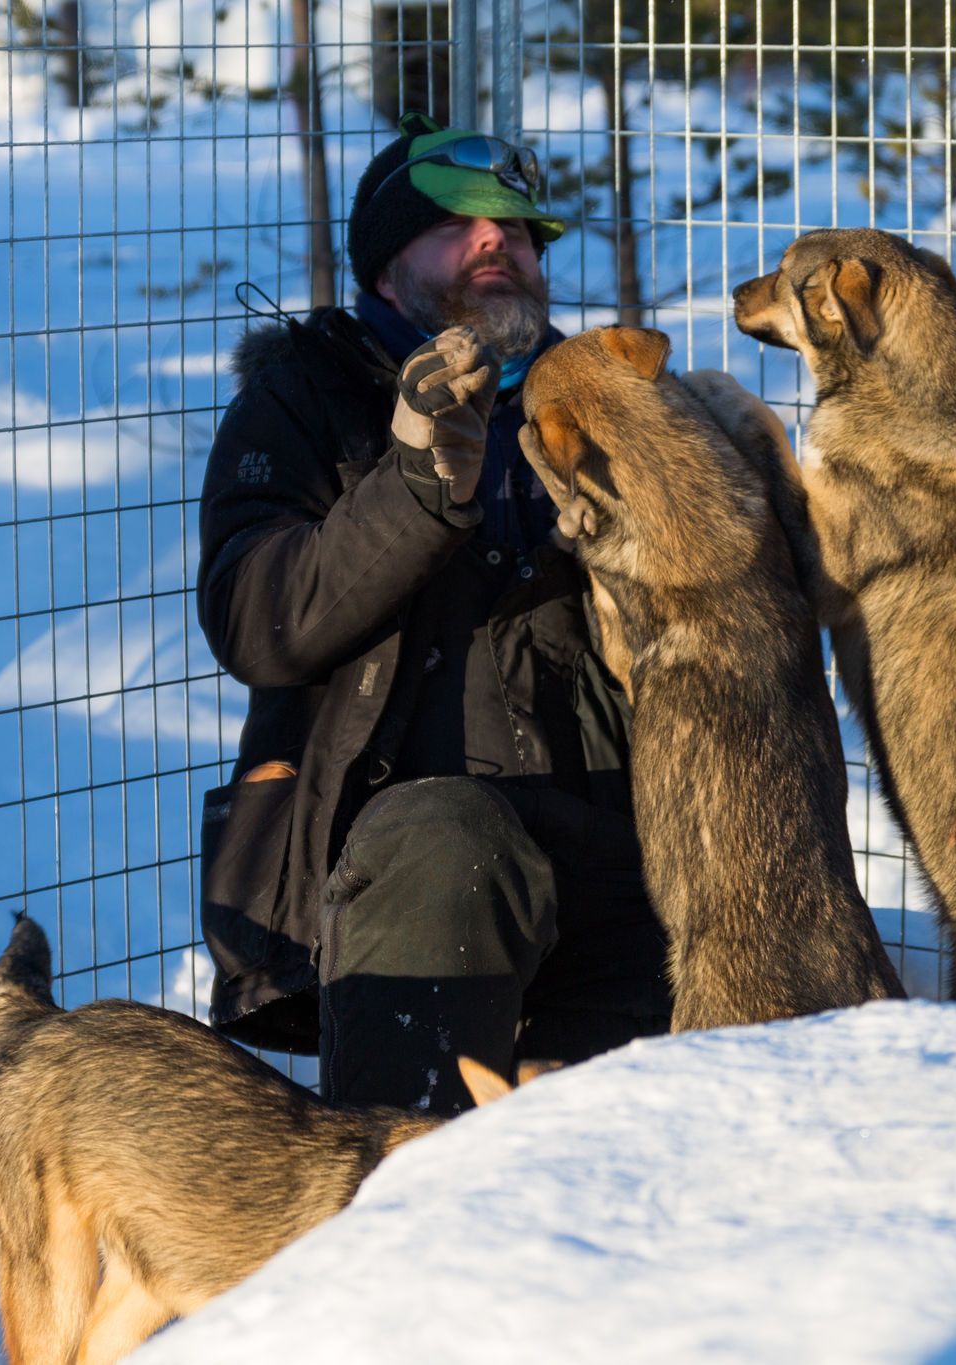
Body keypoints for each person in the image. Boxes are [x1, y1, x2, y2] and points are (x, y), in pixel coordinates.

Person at [196, 112, 670, 1113]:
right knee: (449, 840)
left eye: (522, 230)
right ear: (385, 260)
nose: (501, 241)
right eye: (460, 224)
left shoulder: (595, 398)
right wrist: (411, 484)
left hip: (620, 834)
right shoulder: (307, 396)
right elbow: (254, 620)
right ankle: (396, 1227)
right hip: (413, 843)